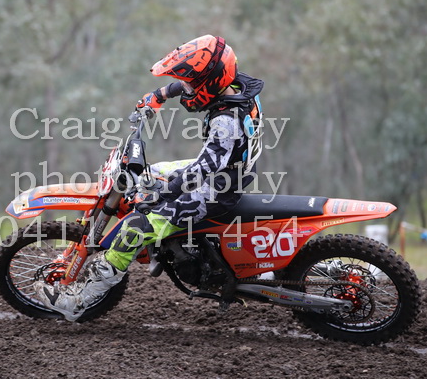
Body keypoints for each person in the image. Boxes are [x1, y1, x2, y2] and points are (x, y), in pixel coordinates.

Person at [34, 34, 264, 321]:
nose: (187, 90)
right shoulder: (237, 87)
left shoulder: (226, 120)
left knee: (135, 228)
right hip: (229, 169)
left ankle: (79, 300)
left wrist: (165, 194)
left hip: (217, 188)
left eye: (192, 85)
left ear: (210, 83)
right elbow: (195, 86)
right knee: (149, 174)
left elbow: (204, 168)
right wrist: (160, 94)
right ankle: (162, 245)